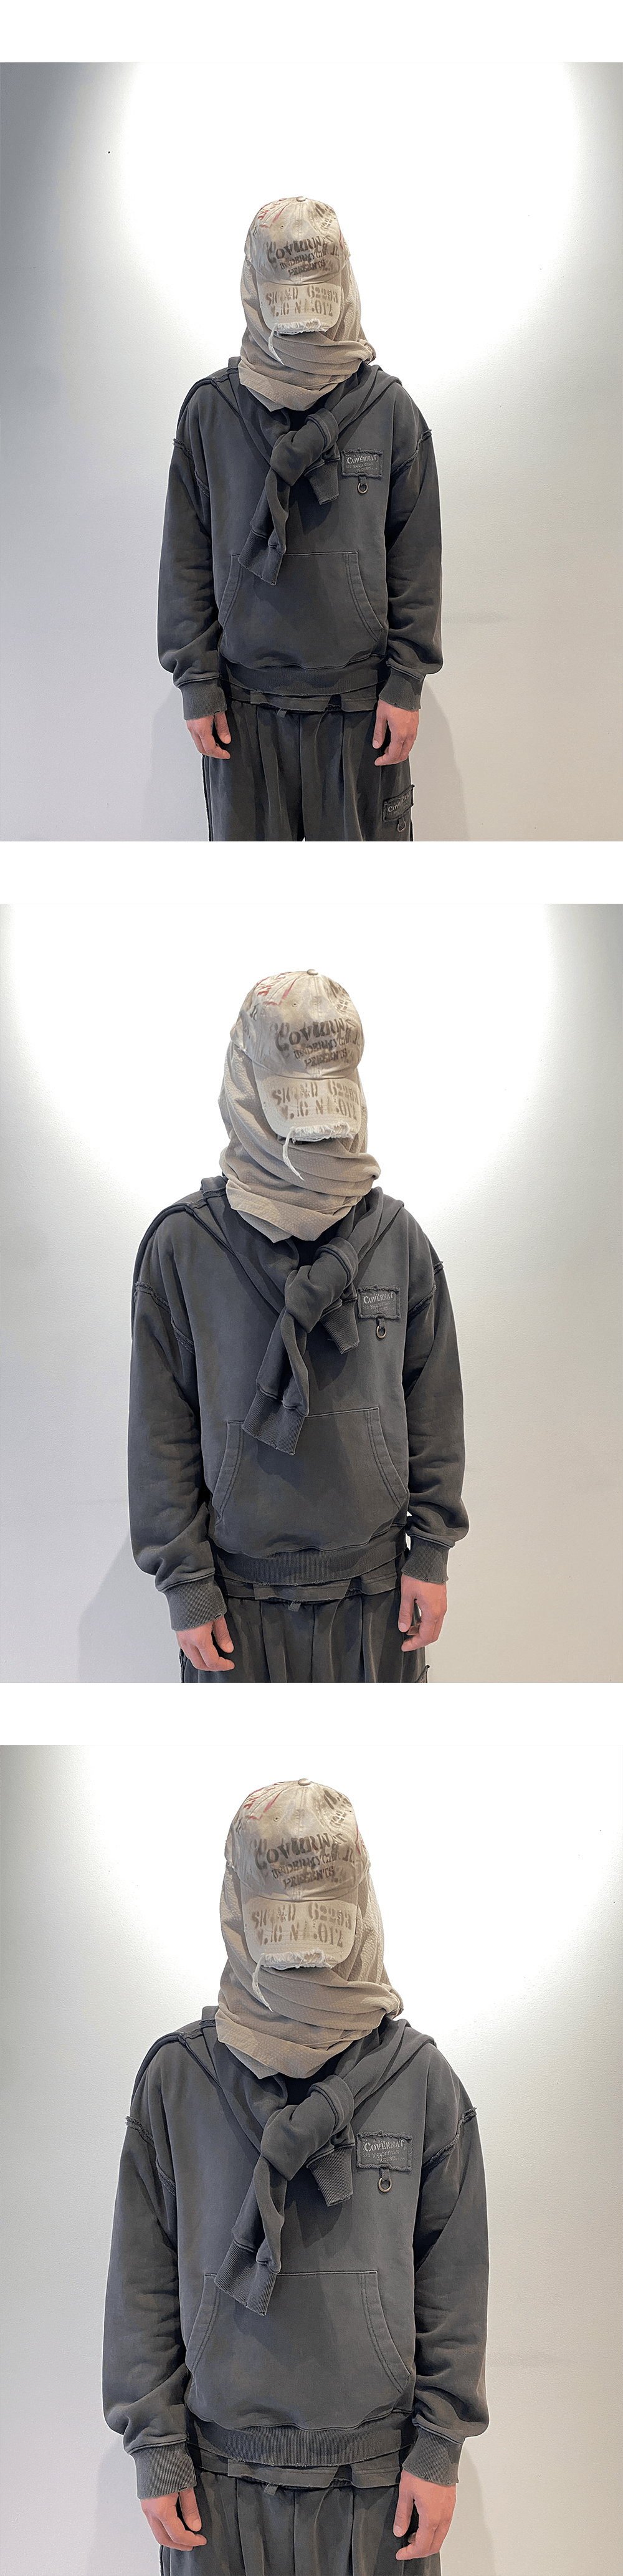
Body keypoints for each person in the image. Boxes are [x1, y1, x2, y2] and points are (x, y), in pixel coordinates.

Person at [102, 1778, 489, 2576]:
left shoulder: (421, 2081)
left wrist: (439, 2444)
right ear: (241, 1909)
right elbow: (141, 2275)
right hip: (213, 2484)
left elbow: (453, 2279)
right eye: (283, 1930)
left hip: (381, 2484)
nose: (306, 1959)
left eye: (322, 1929)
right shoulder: (178, 2079)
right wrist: (156, 2445)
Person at [128, 969, 468, 1685]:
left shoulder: (398, 1239)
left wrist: (431, 1551)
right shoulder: (184, 1247)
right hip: (234, 1603)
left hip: (379, 1594)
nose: (317, 1137)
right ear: (246, 1087)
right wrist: (186, 1584)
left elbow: (433, 1405)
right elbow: (161, 1429)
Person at [157, 198, 442, 843]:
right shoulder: (210, 413)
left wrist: (405, 682)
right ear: (256, 291)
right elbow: (185, 557)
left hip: (363, 711)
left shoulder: (391, 412)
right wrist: (198, 681)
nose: (305, 329)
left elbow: (417, 559)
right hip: (243, 712)